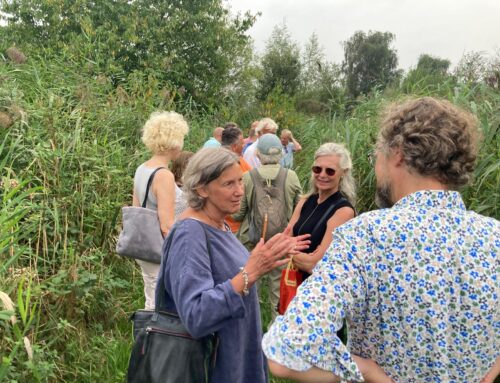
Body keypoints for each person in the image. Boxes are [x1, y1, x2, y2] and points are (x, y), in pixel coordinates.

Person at [262, 97, 500, 382]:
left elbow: (284, 351)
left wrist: (366, 370)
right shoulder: (494, 237)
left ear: (397, 153)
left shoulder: (365, 236)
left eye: (378, 156)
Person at [160, 148, 309, 383]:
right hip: (212, 368)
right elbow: (196, 315)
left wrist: (266, 257)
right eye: (228, 184)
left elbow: (229, 272)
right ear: (202, 188)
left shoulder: (218, 224)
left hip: (236, 358)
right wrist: (251, 271)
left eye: (240, 181)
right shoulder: (190, 234)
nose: (240, 191)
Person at [234, 134, 302, 320]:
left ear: (258, 154)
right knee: (278, 292)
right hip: (281, 242)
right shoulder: (291, 176)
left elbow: (239, 214)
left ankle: (250, 328)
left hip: (252, 241)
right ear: (280, 153)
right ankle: (276, 330)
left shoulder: (247, 177)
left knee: (249, 285)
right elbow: (299, 211)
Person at [132, 111, 189, 310]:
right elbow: (166, 224)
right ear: (173, 141)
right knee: (160, 302)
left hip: (143, 244)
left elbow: (136, 209)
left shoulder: (142, 168)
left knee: (150, 294)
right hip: (160, 246)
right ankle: (155, 337)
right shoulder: (164, 175)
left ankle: (144, 336)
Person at [289, 142, 356, 277]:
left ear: (343, 173)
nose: (322, 175)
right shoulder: (305, 201)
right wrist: (291, 249)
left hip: (319, 290)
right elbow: (284, 238)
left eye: (330, 171)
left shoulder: (343, 211)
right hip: (293, 284)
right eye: (317, 169)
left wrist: (288, 250)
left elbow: (314, 264)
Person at [221, 124, 252, 233]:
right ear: (234, 146)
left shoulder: (241, 161)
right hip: (233, 226)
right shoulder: (219, 165)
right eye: (242, 142)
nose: (244, 145)